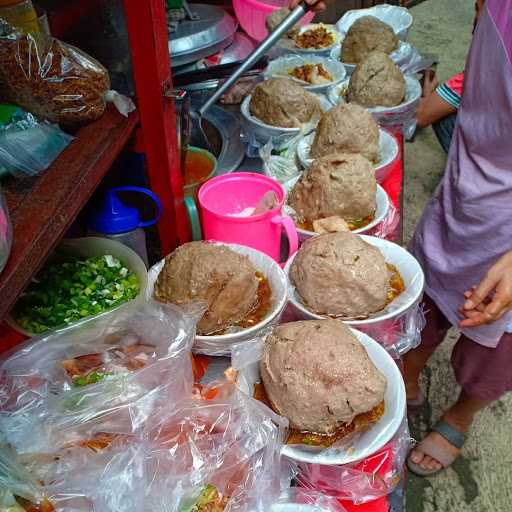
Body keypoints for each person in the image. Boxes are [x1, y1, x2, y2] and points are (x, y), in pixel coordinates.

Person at [404, 0, 512, 476]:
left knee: (491, 351)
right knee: (422, 298)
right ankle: (408, 372)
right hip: (472, 172)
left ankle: (461, 413)